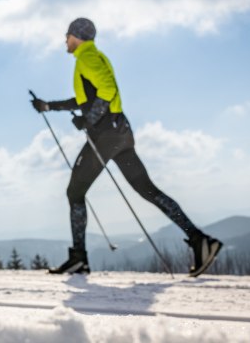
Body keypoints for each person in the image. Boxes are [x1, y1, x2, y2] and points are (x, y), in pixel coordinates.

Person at [31, 18, 222, 277]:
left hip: (105, 136)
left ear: (76, 36)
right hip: (121, 133)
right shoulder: (96, 57)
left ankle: (79, 258)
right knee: (148, 190)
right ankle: (201, 241)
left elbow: (107, 90)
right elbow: (87, 98)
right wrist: (49, 106)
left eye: (67, 34)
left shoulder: (86, 59)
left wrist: (90, 119)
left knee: (74, 192)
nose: (64, 39)